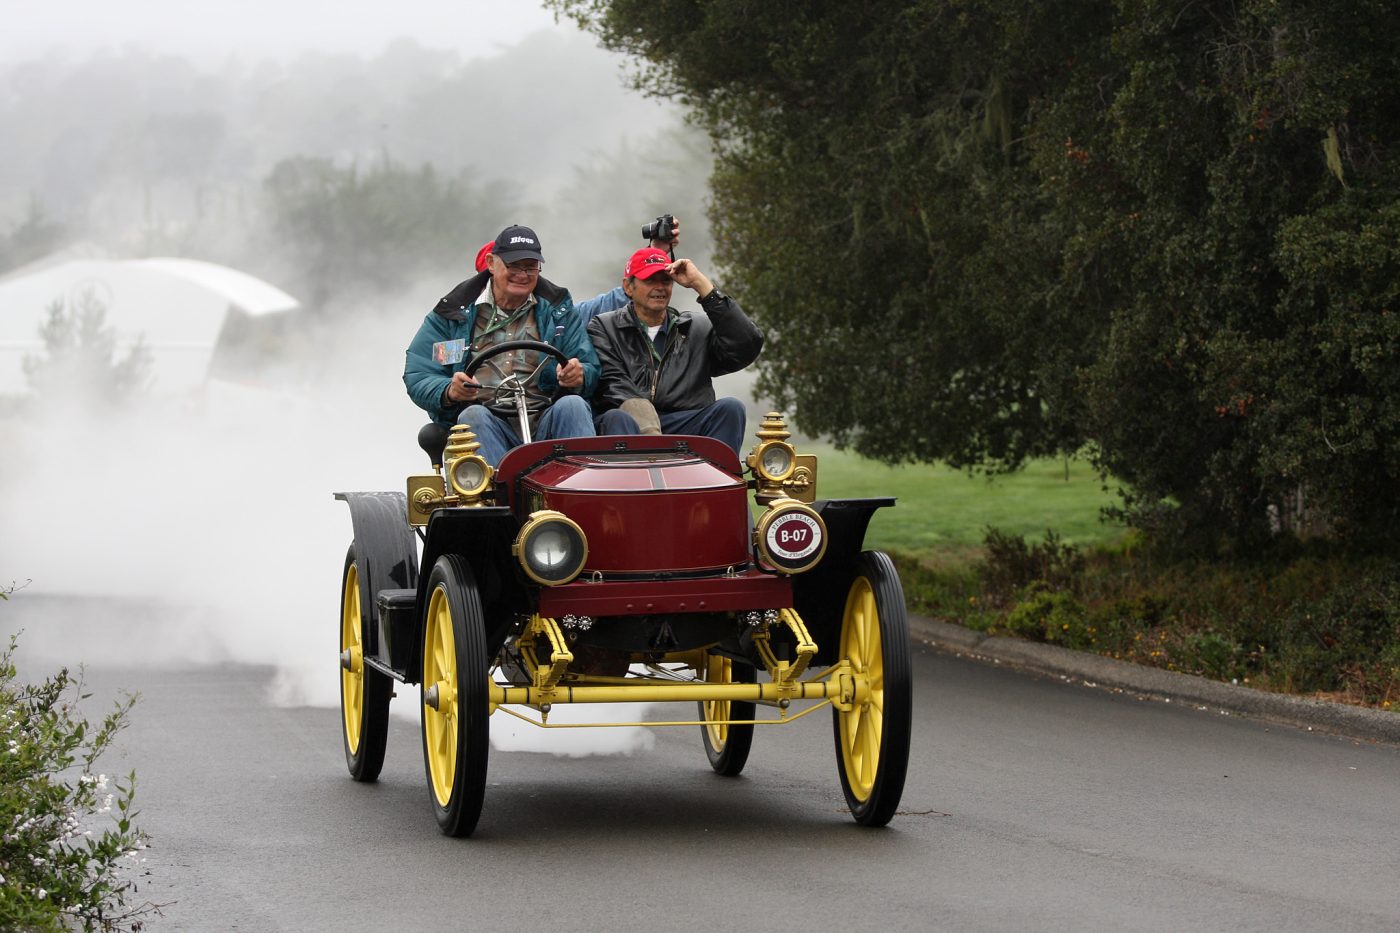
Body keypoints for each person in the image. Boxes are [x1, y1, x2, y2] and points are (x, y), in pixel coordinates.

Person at [403, 224, 599, 467]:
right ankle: (496, 498)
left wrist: (578, 375)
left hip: (546, 419)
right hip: (485, 420)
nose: (522, 274)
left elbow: (589, 366)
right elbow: (419, 373)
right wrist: (449, 390)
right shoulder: (451, 314)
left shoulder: (559, 310)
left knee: (574, 405)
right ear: (491, 263)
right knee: (472, 416)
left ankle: (584, 491)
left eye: (530, 267)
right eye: (513, 266)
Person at [587, 246, 763, 453]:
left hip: (683, 422)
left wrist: (702, 285)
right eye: (650, 280)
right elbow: (613, 382)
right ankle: (633, 482)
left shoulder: (696, 327)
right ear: (628, 287)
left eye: (666, 280)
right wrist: (650, 430)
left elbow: (745, 346)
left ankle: (715, 483)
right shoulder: (604, 327)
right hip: (629, 424)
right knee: (617, 417)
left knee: (731, 408)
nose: (660, 287)